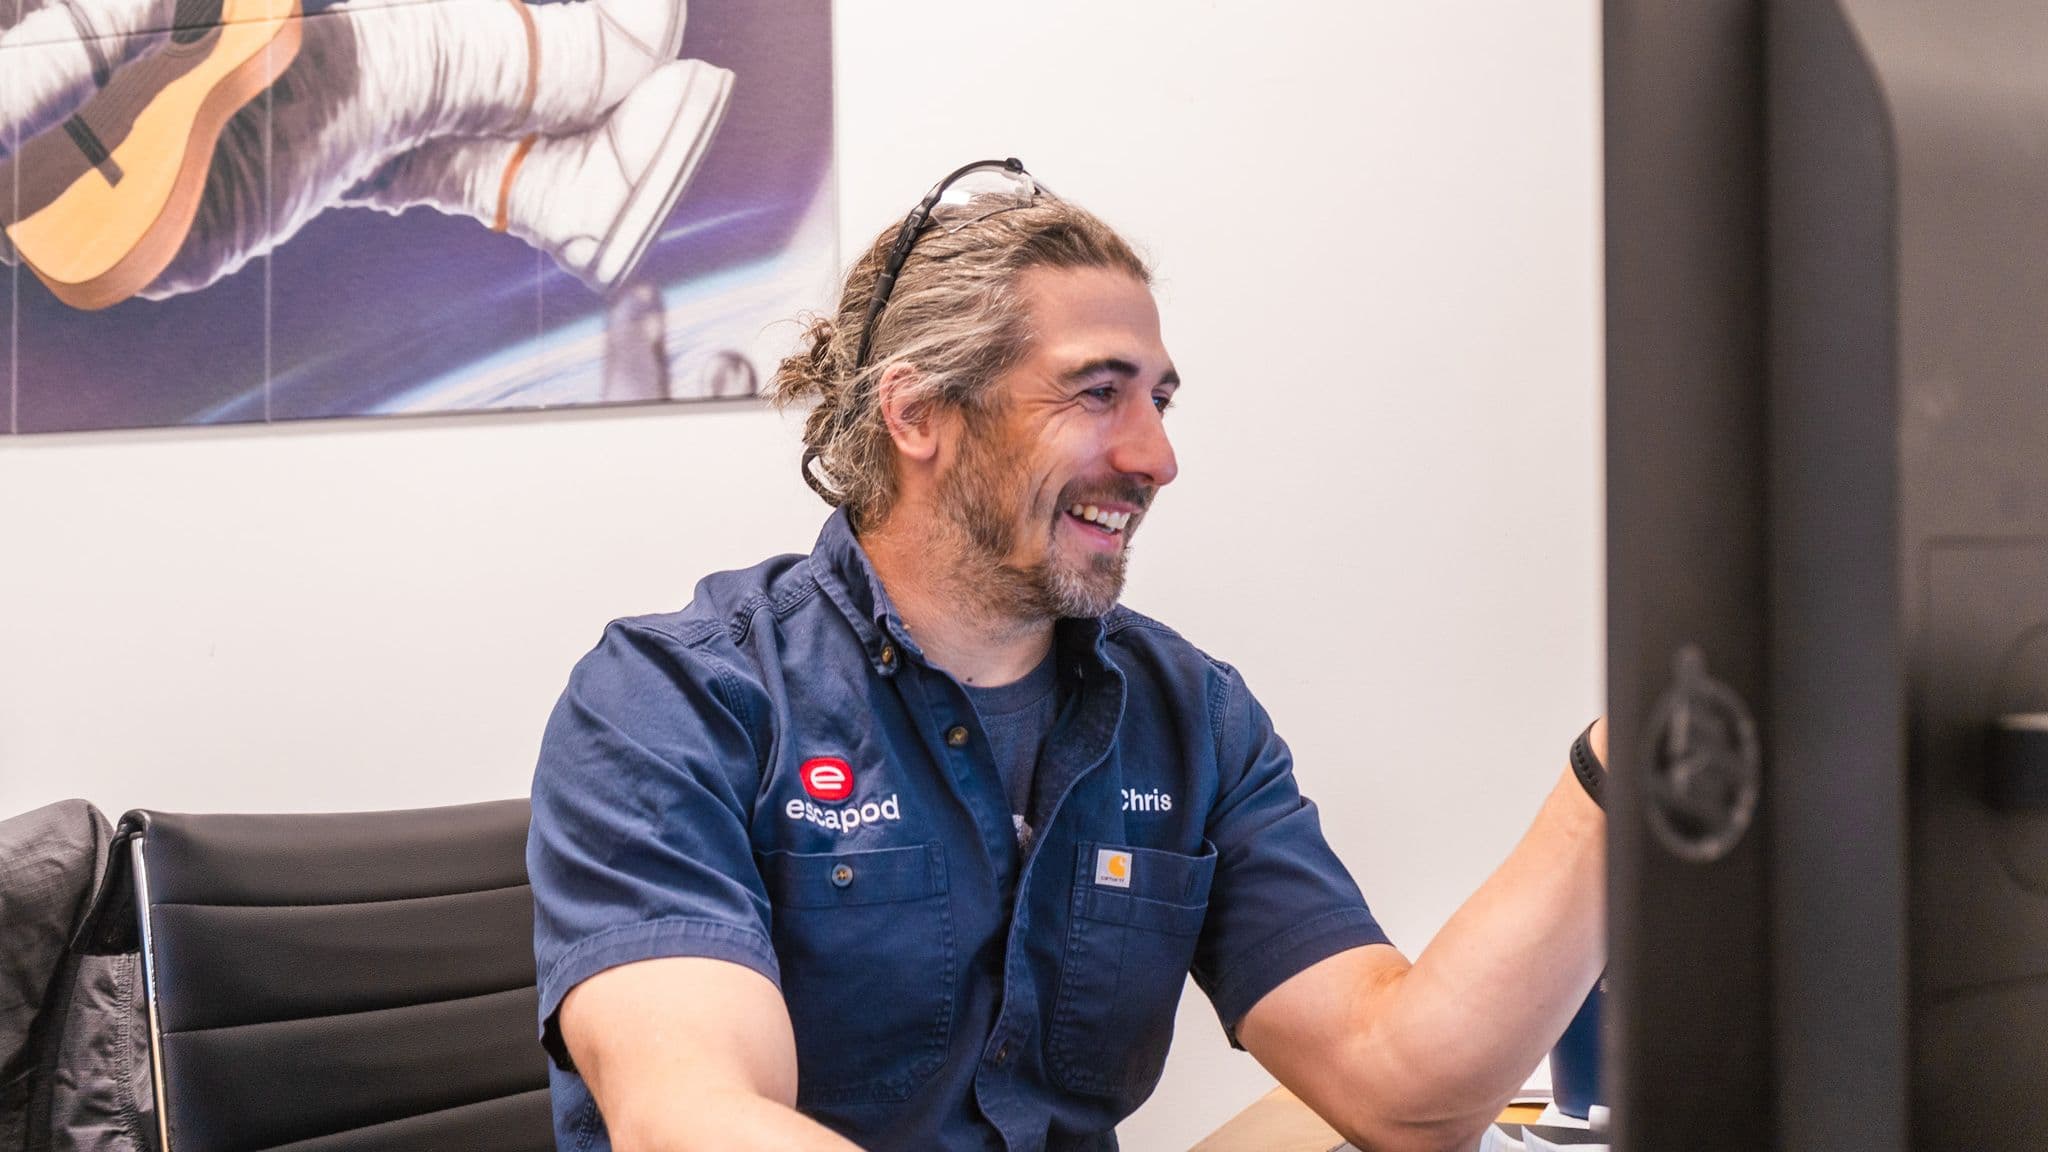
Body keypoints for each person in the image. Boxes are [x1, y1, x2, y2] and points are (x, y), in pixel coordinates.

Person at [527, 159, 1608, 1152]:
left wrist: (1628, 771)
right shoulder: (675, 702)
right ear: (916, 413)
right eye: (1098, 392)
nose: (1154, 456)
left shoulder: (1189, 717)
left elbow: (1400, 1089)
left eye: (1159, 398)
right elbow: (696, 1117)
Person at [0, 0, 727, 305]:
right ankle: (593, 59)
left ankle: (550, 192)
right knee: (364, 62)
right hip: (126, 197)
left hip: (121, 196)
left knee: (354, 126)